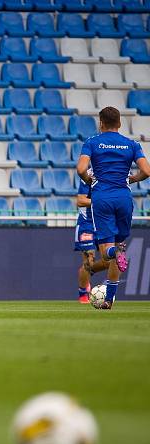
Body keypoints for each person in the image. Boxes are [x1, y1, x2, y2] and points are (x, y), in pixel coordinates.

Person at [77, 106, 150, 309]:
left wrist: (88, 179)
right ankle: (109, 299)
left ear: (101, 123)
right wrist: (134, 179)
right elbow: (147, 170)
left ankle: (115, 253)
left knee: (107, 252)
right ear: (119, 123)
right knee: (119, 245)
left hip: (103, 198)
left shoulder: (92, 142)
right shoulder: (131, 144)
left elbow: (81, 168)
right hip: (124, 198)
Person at [74, 173, 109, 303]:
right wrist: (101, 201)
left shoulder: (113, 175)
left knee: (108, 262)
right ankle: (83, 292)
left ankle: (88, 270)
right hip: (86, 224)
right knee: (88, 261)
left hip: (103, 224)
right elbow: (80, 200)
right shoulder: (89, 175)